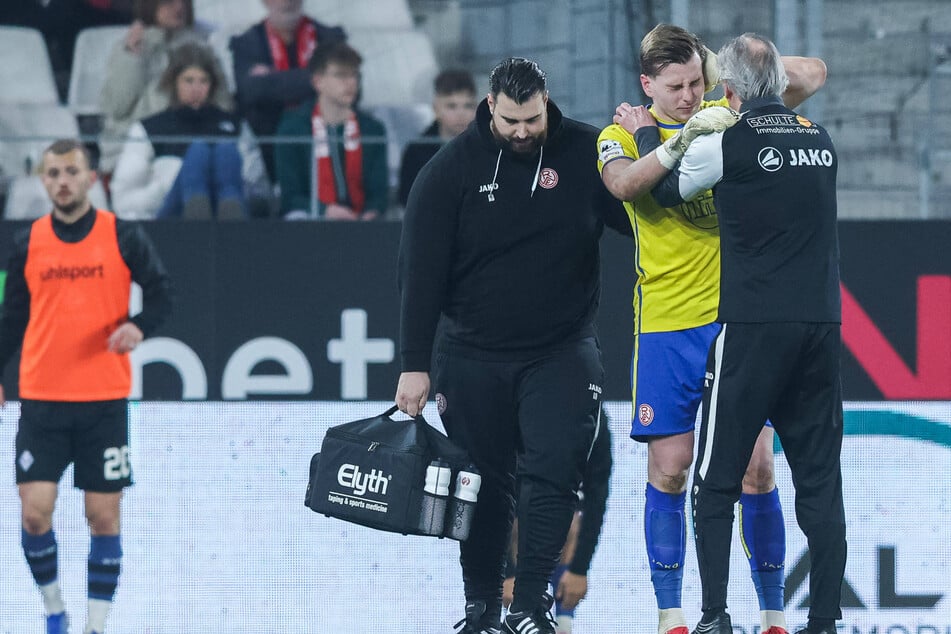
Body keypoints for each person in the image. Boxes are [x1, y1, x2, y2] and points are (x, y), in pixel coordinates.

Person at [596, 23, 827, 634]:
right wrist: (665, 142)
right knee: (671, 468)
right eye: (675, 87)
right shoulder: (620, 134)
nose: (690, 96)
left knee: (756, 469)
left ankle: (774, 615)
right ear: (646, 84)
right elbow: (622, 184)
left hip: (738, 320)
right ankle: (672, 616)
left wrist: (732, 67)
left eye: (699, 81)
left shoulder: (732, 116)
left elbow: (814, 74)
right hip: (669, 324)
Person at [394, 57, 631, 634]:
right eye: (510, 121)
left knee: (553, 475)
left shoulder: (585, 150)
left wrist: (648, 147)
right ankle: (480, 608)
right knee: (482, 482)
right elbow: (419, 274)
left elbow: (643, 220)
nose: (522, 131)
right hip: (472, 354)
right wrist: (413, 365)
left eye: (531, 119)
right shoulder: (447, 171)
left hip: (562, 350)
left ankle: (532, 606)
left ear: (546, 102)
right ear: (490, 108)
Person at [0, 139, 172, 634]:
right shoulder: (28, 242)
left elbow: (163, 292)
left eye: (71, 171)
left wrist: (139, 325)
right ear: (42, 180)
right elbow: (13, 318)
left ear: (92, 178)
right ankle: (55, 611)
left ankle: (96, 625)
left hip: (103, 399)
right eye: (52, 173)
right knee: (35, 514)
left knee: (103, 515)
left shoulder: (121, 236)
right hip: (42, 399)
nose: (62, 181)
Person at [111, 42, 246, 220]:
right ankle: (196, 206)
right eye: (189, 81)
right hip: (169, 220)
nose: (196, 89)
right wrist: (170, 181)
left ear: (212, 85)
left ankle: (228, 214)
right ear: (174, 83)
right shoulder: (150, 129)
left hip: (227, 210)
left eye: (203, 81)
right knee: (198, 151)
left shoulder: (234, 126)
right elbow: (123, 202)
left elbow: (259, 187)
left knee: (226, 150)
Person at [502, 416, 612, 634]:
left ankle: (562, 624)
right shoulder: (515, 409)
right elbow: (495, 497)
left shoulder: (593, 417)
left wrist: (579, 570)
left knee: (568, 522)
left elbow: (596, 500)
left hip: (562, 499)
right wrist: (507, 573)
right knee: (521, 522)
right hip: (519, 501)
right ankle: (519, 615)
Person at [99, 0, 231, 174]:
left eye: (183, 1)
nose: (178, 7)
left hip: (194, 140)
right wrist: (132, 57)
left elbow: (223, 104)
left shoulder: (202, 48)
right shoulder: (128, 48)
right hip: (136, 148)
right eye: (168, 2)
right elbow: (117, 107)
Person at [230, 0, 346, 182]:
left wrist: (271, 78)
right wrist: (317, 78)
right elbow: (250, 92)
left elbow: (347, 87)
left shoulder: (330, 37)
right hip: (269, 142)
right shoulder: (247, 42)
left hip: (322, 134)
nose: (288, 2)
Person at [274, 41, 388, 220]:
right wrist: (325, 211)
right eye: (341, 75)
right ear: (318, 81)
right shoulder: (293, 128)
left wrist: (370, 214)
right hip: (312, 219)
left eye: (354, 75)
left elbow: (379, 193)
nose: (351, 83)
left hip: (362, 222)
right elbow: (290, 196)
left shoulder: (372, 129)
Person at [397, 68, 478, 207]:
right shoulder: (416, 150)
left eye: (468, 106)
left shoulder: (489, 148)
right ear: (436, 109)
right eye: (451, 106)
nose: (461, 114)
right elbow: (407, 199)